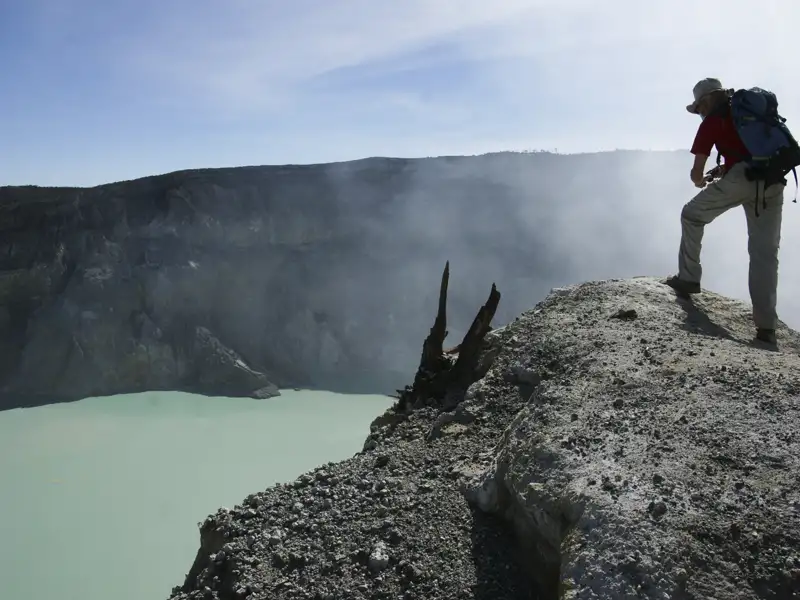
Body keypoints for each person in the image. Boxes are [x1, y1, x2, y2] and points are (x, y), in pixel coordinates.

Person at [664, 77, 785, 345]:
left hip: (742, 180)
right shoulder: (749, 113)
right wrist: (724, 169)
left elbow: (696, 174)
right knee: (764, 254)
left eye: (698, 108)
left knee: (691, 215)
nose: (698, 113)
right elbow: (745, 152)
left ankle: (688, 279)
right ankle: (767, 329)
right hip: (773, 179)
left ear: (706, 100)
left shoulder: (712, 120)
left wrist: (702, 179)